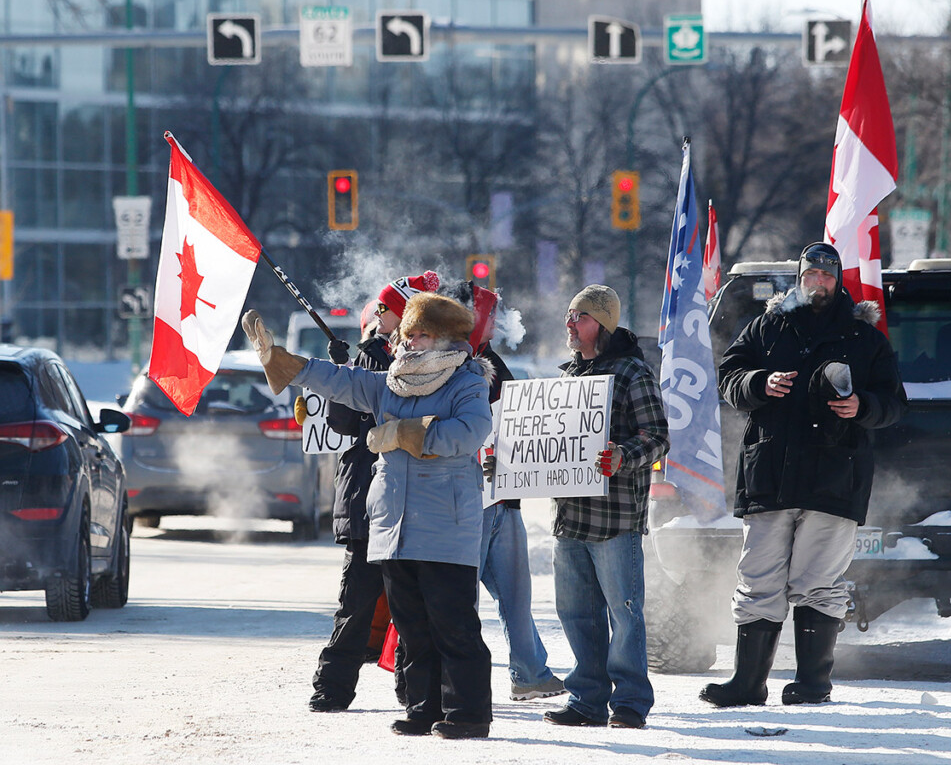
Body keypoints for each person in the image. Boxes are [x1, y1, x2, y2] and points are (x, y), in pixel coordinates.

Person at [242, 290, 494, 740]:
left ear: (444, 339)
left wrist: (405, 433)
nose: (409, 341)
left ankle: (468, 713)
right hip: (393, 526)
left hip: (445, 525)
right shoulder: (390, 380)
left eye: (420, 334)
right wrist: (284, 361)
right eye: (408, 333)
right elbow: (338, 380)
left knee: (453, 626)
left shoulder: (467, 379)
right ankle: (423, 708)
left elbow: (472, 431)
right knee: (413, 628)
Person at [700, 242, 906, 708]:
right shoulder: (767, 326)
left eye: (827, 276)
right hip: (769, 476)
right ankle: (746, 683)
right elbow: (728, 377)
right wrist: (759, 382)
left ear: (838, 282)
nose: (818, 282)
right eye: (810, 274)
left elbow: (895, 404)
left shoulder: (864, 339)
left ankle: (813, 684)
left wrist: (863, 406)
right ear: (799, 278)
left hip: (834, 480)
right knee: (757, 582)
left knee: (819, 584)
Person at [488, 285, 669, 729]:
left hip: (616, 519)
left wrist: (623, 455)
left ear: (602, 324)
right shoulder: (566, 378)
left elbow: (658, 435)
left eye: (580, 317)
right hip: (570, 519)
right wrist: (508, 459)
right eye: (569, 315)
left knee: (623, 614)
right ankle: (587, 699)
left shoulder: (631, 373)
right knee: (577, 615)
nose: (570, 323)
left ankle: (629, 701)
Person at [446, 280, 566, 702]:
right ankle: (457, 684)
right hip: (472, 499)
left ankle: (530, 673)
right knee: (461, 599)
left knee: (517, 595)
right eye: (490, 312)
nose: (497, 321)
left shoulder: (489, 359)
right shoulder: (450, 362)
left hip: (503, 498)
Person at [306, 297, 396, 712]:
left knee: (413, 607)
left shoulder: (431, 358)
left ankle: (418, 693)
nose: (380, 319)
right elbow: (340, 422)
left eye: (389, 311)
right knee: (355, 603)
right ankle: (332, 688)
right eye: (377, 312)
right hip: (365, 497)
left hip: (410, 500)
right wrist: (344, 374)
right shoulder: (365, 358)